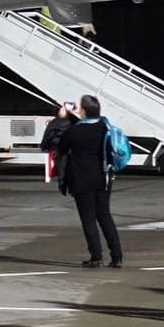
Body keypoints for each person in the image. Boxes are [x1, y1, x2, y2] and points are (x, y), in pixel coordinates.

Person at [55, 94, 123, 268]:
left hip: (81, 178)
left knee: (88, 218)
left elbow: (61, 145)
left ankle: (96, 256)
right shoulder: (105, 127)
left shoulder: (75, 130)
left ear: (83, 111)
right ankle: (117, 256)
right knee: (105, 216)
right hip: (103, 177)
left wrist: (62, 119)